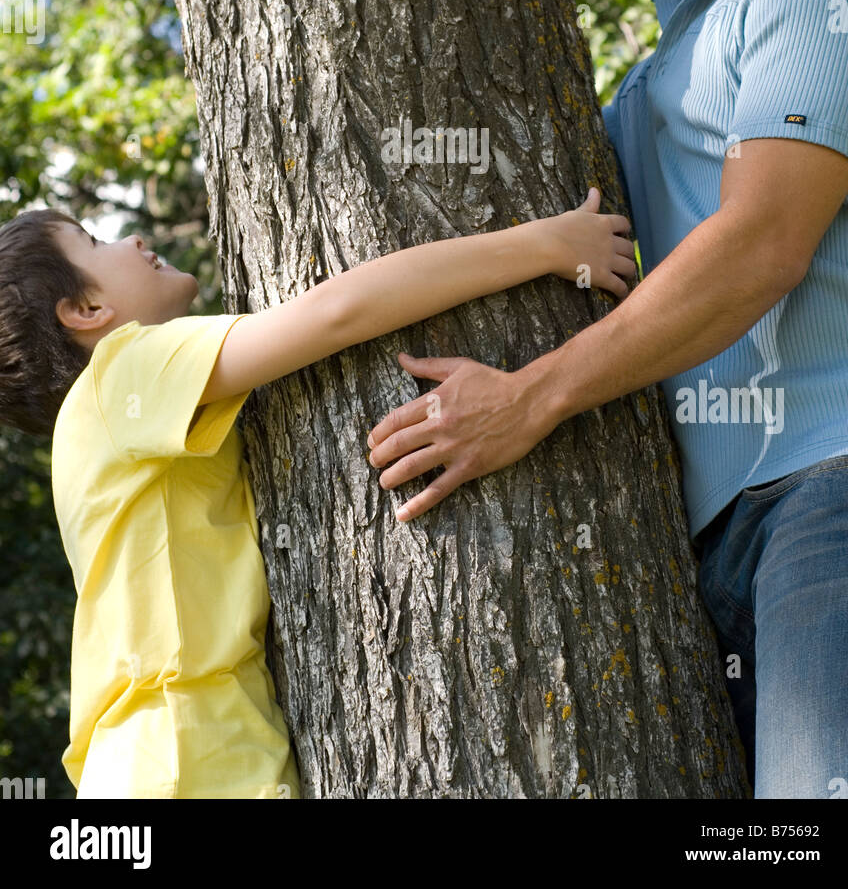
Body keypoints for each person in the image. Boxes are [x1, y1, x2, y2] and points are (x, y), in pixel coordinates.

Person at [366, 0, 848, 799]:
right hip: (708, 534)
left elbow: (761, 245)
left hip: (839, 487)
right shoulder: (669, 57)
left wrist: (529, 398)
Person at [0, 190, 634, 798]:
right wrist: (545, 244)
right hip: (183, 759)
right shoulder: (122, 370)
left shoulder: (101, 426)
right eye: (94, 241)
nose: (131, 238)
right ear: (85, 312)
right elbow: (339, 313)